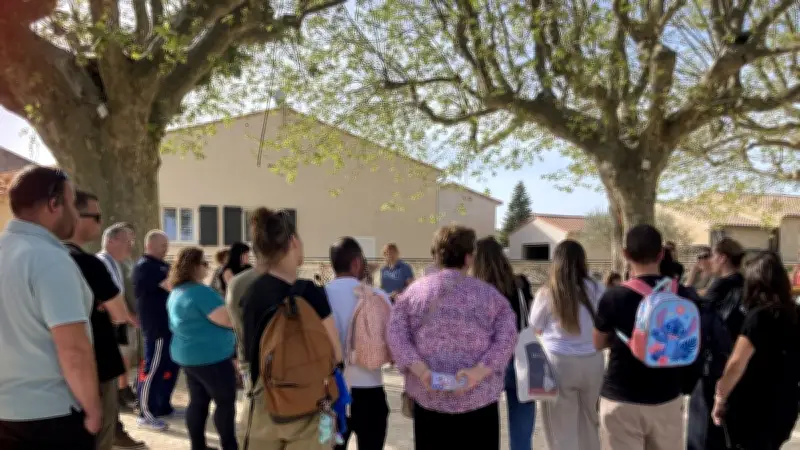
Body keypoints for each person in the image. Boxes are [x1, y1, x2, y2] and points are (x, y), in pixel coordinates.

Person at [387, 225, 517, 450]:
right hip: (479, 403)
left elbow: (396, 335)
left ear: (436, 256)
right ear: (469, 258)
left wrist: (422, 372)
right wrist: (478, 373)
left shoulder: (413, 294)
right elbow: (507, 339)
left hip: (429, 404)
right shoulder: (490, 297)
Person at [0, 166, 99, 449]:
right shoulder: (49, 259)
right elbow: (73, 349)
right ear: (54, 204)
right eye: (71, 203)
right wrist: (93, 409)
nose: (77, 214)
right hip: (49, 416)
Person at [239, 207, 343, 449]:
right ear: (294, 242)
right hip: (313, 405)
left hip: (263, 407)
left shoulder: (249, 294)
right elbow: (335, 354)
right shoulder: (312, 293)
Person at [593, 224, 697, 450]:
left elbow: (598, 342)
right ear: (661, 254)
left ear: (625, 254)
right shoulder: (682, 294)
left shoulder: (614, 297)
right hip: (667, 396)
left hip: (622, 397)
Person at [66, 195, 145, 450]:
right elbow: (117, 311)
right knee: (100, 424)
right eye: (96, 217)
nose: (131, 247)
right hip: (95, 354)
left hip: (85, 354)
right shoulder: (93, 262)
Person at [712, 251, 800, 449]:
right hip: (785, 402)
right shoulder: (795, 314)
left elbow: (736, 364)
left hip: (752, 407)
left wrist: (720, 397)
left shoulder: (758, 318)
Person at [528, 240, 605, 450]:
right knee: (590, 420)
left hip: (558, 363)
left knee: (560, 427)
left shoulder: (547, 292)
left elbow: (534, 326)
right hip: (593, 361)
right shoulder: (598, 288)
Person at [167, 247, 238, 450]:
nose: (207, 268)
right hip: (211, 357)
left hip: (189, 357)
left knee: (198, 402)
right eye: (204, 263)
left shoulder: (177, 291)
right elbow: (228, 320)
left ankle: (198, 446)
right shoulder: (200, 292)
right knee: (225, 402)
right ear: (194, 267)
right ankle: (229, 446)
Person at [326, 237, 392, 450]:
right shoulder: (378, 296)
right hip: (370, 390)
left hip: (330, 392)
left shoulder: (319, 296)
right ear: (356, 263)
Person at [472, 237, 536, 450]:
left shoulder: (475, 290)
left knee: (483, 429)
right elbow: (527, 317)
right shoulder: (521, 284)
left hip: (487, 362)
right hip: (520, 360)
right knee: (522, 433)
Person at [133, 230, 180, 431]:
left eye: (166, 245)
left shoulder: (163, 266)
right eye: (162, 245)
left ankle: (162, 406)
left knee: (169, 368)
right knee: (153, 369)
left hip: (169, 326)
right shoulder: (146, 267)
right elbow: (174, 286)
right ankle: (145, 413)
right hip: (156, 327)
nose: (166, 249)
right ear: (150, 245)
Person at [97, 224, 139, 408]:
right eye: (126, 241)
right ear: (110, 240)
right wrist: (129, 317)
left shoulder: (114, 263)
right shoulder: (102, 262)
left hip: (115, 325)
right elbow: (108, 298)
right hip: (105, 326)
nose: (130, 246)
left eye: (132, 241)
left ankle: (120, 395)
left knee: (123, 358)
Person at [703, 238, 746, 340]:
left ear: (722, 258)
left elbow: (704, 315)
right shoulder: (744, 281)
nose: (710, 260)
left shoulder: (720, 285)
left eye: (713, 255)